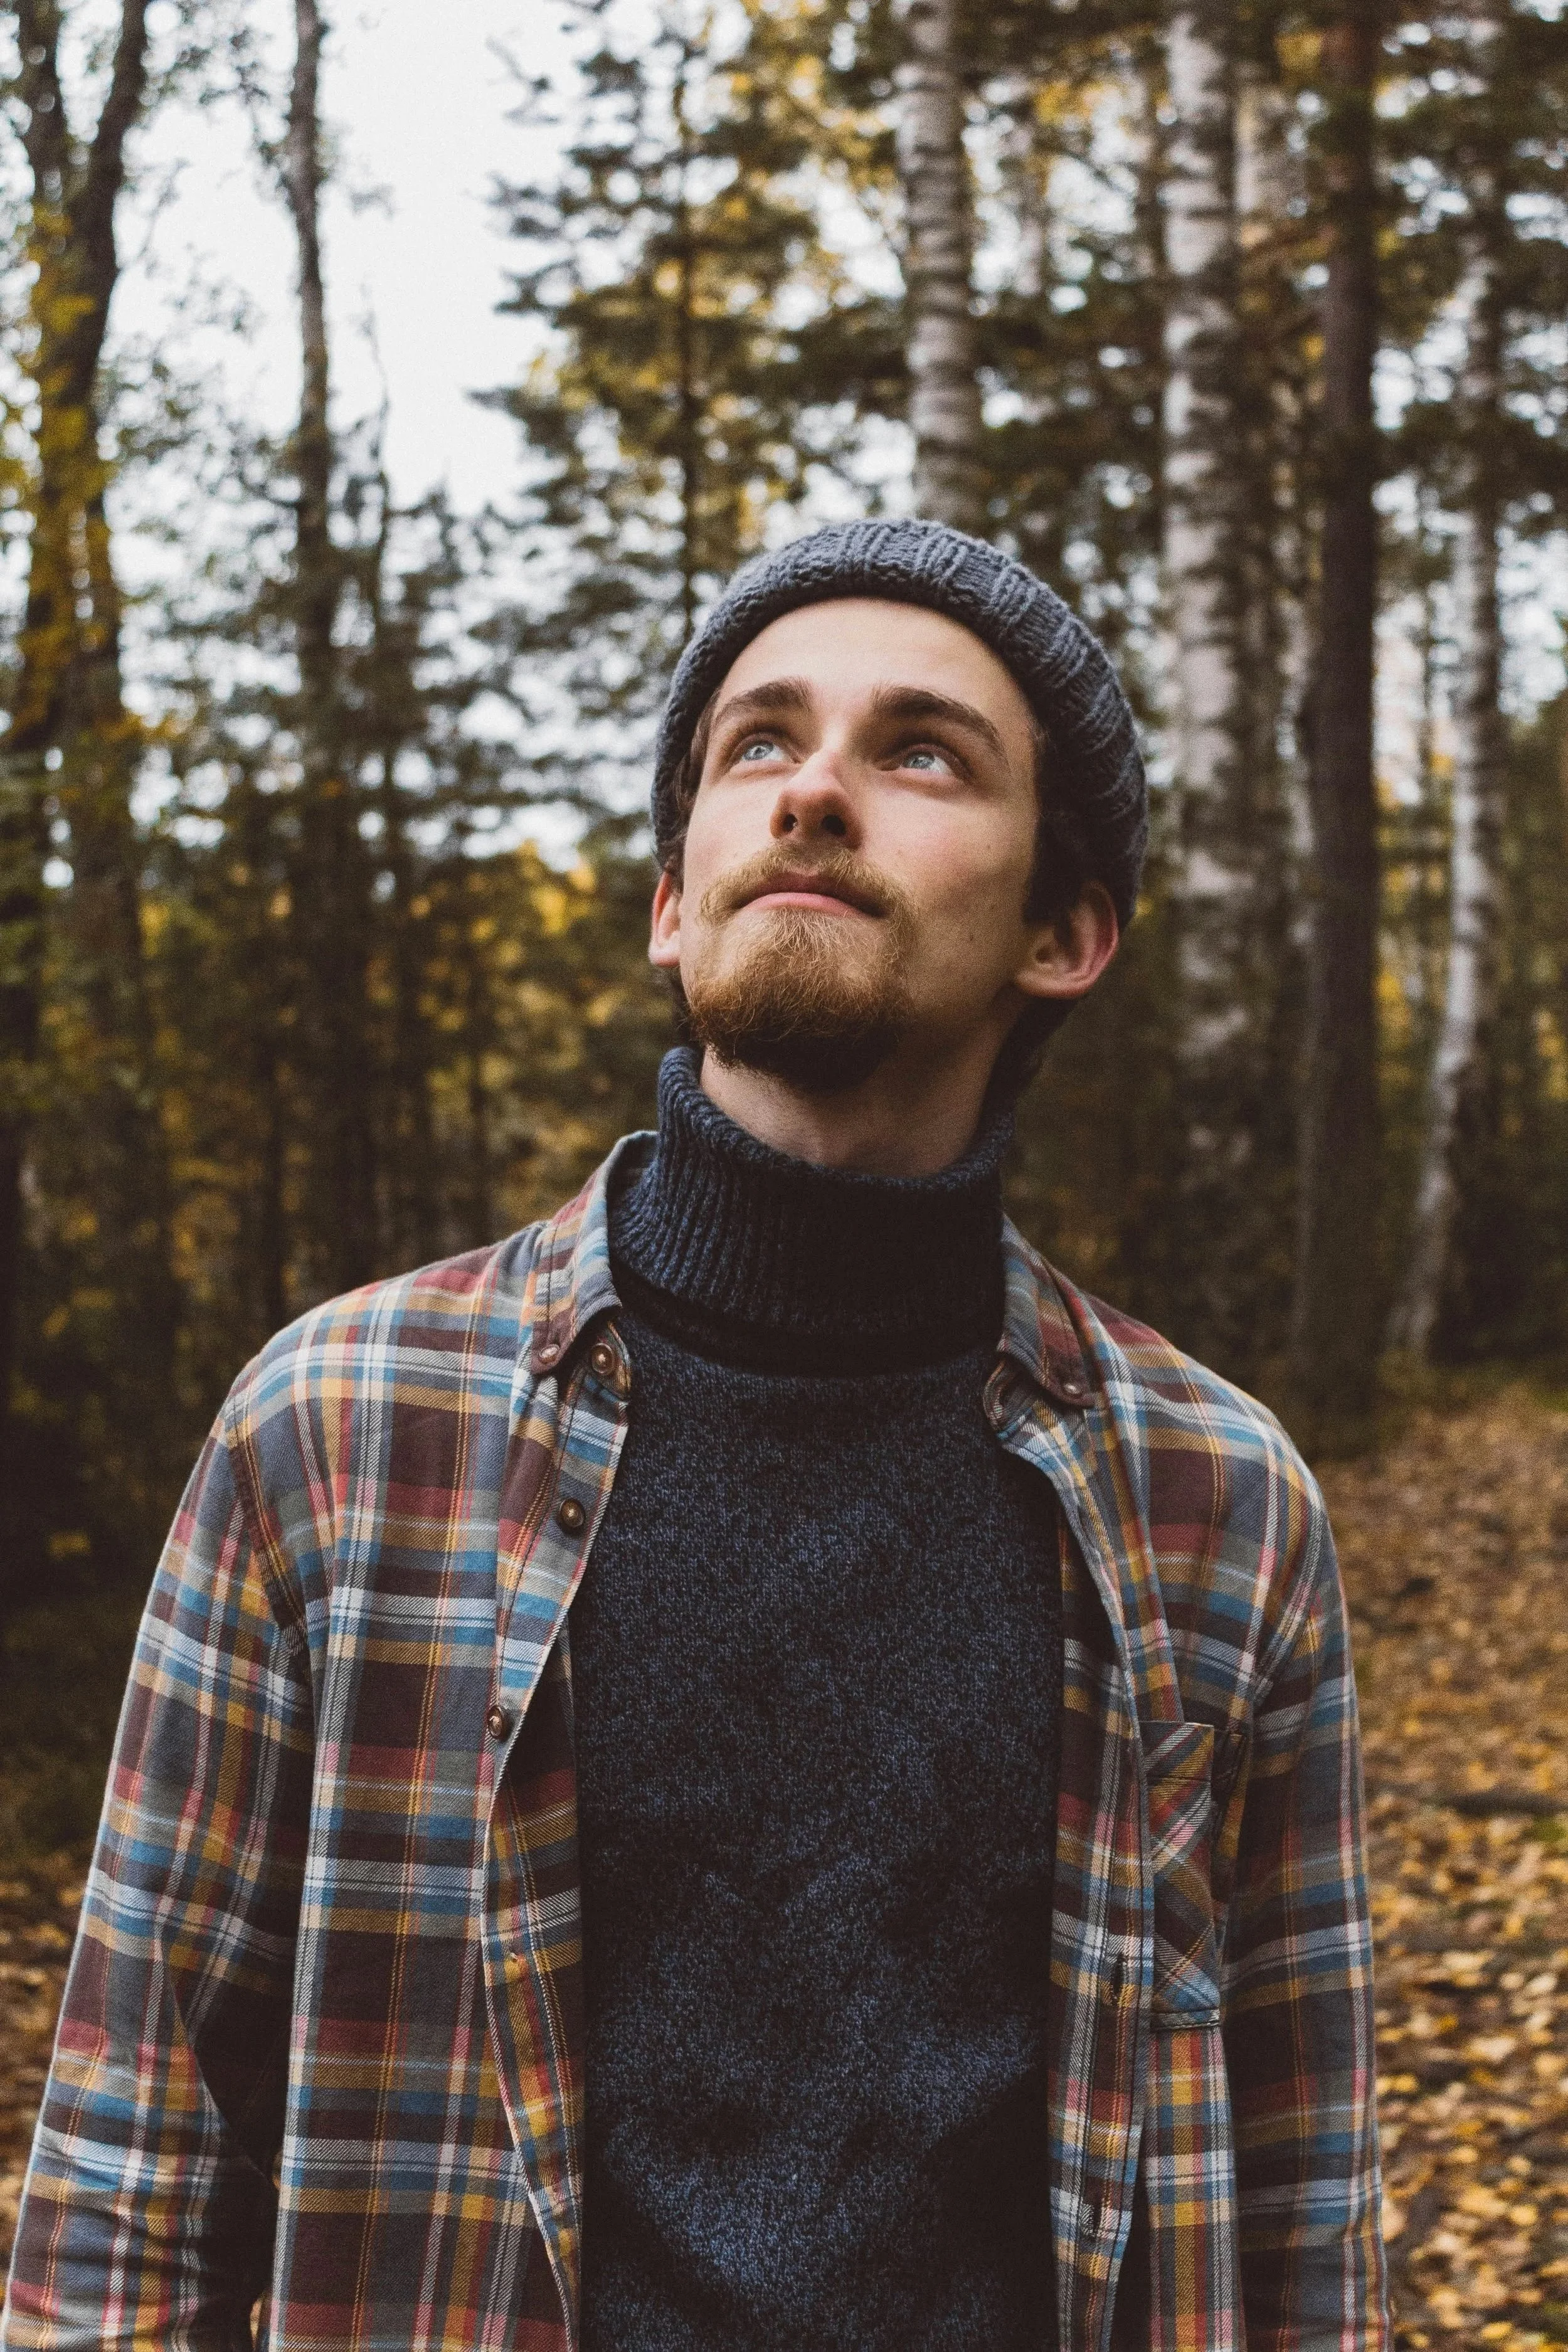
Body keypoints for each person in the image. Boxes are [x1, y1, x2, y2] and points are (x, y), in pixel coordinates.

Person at [3, 521, 1387, 2352]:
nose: (814, 790)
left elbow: (1300, 2217)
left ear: (1063, 932)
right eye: (758, 741)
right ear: (673, 900)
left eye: (919, 751)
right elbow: (126, 2178)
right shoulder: (340, 1431)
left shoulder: (1217, 1508)